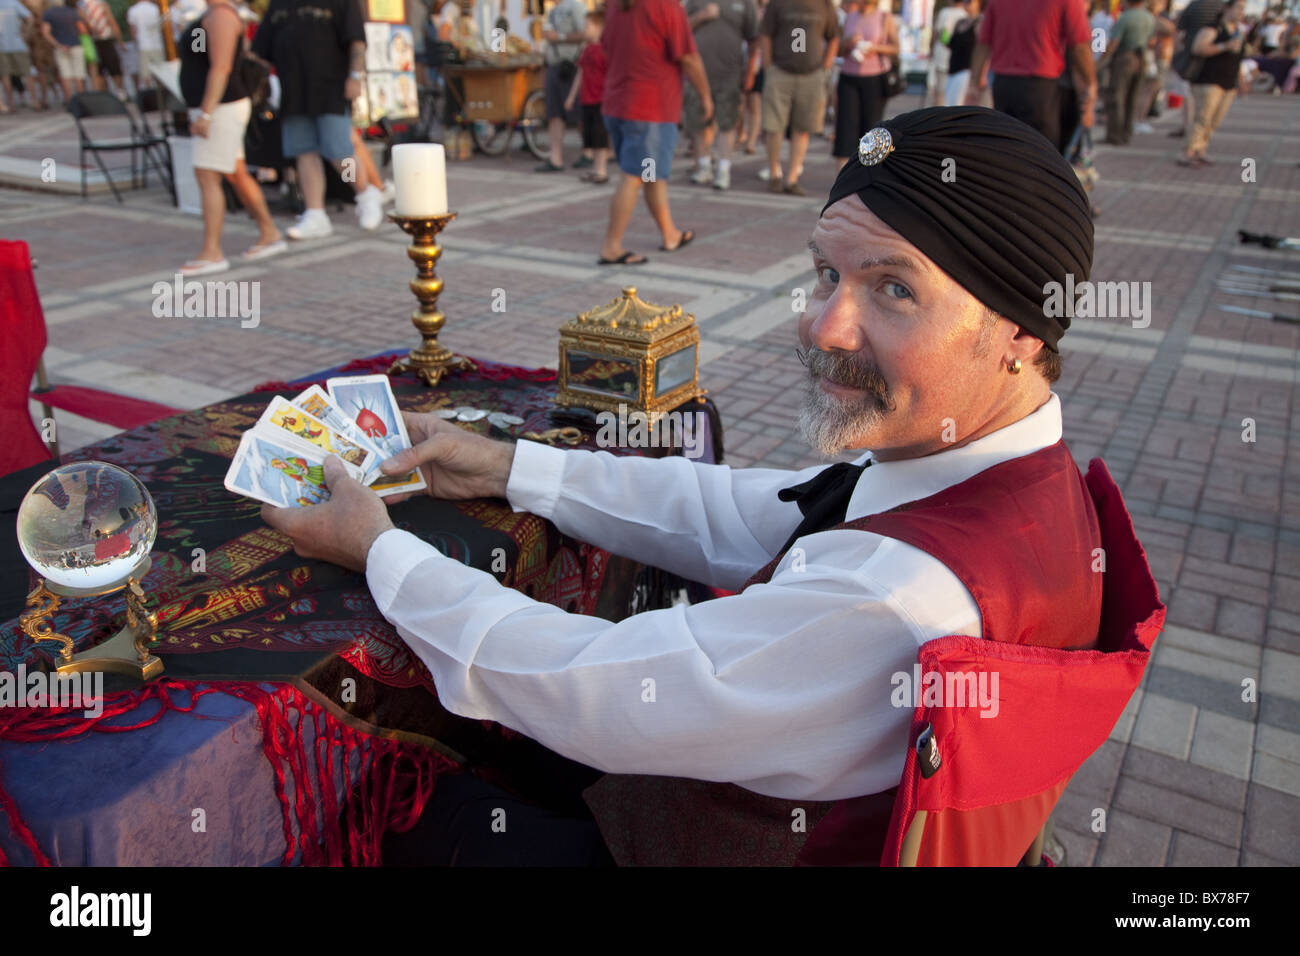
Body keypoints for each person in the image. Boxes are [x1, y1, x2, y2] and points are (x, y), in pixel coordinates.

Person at [264, 105, 1150, 868]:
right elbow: (738, 511)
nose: (825, 325)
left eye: (893, 290)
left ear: (1019, 333)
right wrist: (507, 465)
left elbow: (593, 687)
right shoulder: (998, 470)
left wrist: (379, 549)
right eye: (826, 276)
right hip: (716, 799)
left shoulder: (897, 598)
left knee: (383, 802)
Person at [250, 0, 385, 238]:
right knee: (304, 151)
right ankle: (315, 213)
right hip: (292, 89)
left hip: (330, 86)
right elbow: (262, 48)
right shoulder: (279, 5)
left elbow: (356, 39)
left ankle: (365, 194)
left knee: (338, 151)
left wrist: (354, 76)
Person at [595, 0, 710, 266]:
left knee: (651, 173)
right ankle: (611, 246)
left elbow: (605, 46)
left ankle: (669, 233)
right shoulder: (665, 5)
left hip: (618, 101)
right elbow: (689, 57)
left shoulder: (615, 4)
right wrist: (705, 95)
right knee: (635, 175)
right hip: (650, 107)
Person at [179, 0, 285, 274]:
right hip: (218, 106)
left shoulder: (223, 16)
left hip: (221, 107)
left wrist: (206, 113)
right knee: (234, 172)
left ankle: (212, 251)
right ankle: (269, 232)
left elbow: (222, 67)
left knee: (207, 174)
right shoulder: (213, 15)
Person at [966, 0, 1096, 152]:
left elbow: (983, 43)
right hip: (1040, 86)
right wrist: (1090, 82)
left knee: (1007, 148)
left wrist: (974, 84)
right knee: (1041, 152)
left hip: (1003, 84)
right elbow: (1080, 46)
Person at [759, 0, 838, 195]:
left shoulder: (824, 5)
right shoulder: (778, 4)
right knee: (774, 126)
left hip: (812, 74)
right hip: (781, 72)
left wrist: (826, 66)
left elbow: (834, 36)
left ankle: (792, 178)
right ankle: (774, 173)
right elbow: (765, 34)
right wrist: (769, 67)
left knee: (803, 128)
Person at [683, 0, 757, 191]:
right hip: (698, 74)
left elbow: (754, 38)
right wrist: (701, 16)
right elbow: (681, 30)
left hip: (730, 74)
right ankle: (704, 166)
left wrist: (749, 72)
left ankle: (723, 169)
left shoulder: (745, 3)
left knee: (728, 123)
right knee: (699, 122)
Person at [832, 0, 897, 171]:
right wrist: (848, 42)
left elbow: (896, 47)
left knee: (871, 128)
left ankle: (867, 174)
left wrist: (875, 47)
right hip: (848, 76)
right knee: (845, 127)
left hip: (874, 78)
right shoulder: (850, 17)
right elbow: (838, 49)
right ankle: (842, 176)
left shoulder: (884, 17)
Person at [1179, 0, 1245, 167]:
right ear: (1226, 8)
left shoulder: (1238, 32)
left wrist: (1241, 80)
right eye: (1238, 8)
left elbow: (1238, 59)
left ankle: (1201, 150)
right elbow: (1198, 49)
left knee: (1214, 121)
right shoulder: (1213, 28)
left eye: (1243, 9)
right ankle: (1189, 152)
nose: (1240, 12)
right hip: (1208, 80)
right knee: (1202, 118)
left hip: (1228, 82)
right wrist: (1224, 46)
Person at [534, 0, 586, 172]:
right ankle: (556, 158)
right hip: (554, 65)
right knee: (554, 113)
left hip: (571, 64)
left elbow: (586, 33)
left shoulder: (576, 6)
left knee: (579, 112)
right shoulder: (553, 10)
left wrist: (561, 37)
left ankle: (589, 152)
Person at [1098, 0, 1156, 145]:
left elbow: (1114, 43)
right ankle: (1127, 132)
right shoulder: (1149, 17)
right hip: (1141, 57)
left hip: (1125, 58)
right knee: (1132, 97)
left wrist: (1100, 62)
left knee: (1117, 96)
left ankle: (1115, 135)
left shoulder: (1125, 17)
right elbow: (1152, 41)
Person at [563, 6, 609, 185]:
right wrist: (571, 96)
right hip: (587, 99)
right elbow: (580, 73)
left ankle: (601, 170)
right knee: (589, 135)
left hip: (601, 99)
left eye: (588, 26)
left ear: (599, 28)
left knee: (600, 136)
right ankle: (594, 168)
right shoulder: (587, 49)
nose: (585, 29)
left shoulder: (605, 50)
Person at [41, 0, 89, 100]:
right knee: (78, 75)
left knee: (65, 76)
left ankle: (69, 100)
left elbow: (45, 33)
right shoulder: (72, 12)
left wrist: (58, 45)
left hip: (60, 48)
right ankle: (82, 100)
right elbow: (83, 29)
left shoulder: (49, 13)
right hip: (75, 45)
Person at [927, 0, 969, 105]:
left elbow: (940, 33)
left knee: (940, 92)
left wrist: (931, 48)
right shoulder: (965, 14)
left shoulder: (944, 12)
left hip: (942, 54)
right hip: (957, 59)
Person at [78, 0, 123, 95]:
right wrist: (120, 41)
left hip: (90, 40)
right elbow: (111, 21)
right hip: (104, 38)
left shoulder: (80, 5)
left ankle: (105, 93)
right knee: (113, 67)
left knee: (99, 69)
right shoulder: (101, 3)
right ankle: (120, 92)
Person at [944, 0, 981, 108]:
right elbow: (949, 43)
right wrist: (944, 33)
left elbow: (980, 49)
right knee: (949, 104)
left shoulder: (979, 23)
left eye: (969, 1)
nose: (966, 4)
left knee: (958, 106)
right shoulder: (960, 22)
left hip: (966, 70)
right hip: (953, 68)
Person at [21, 0, 57, 108]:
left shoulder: (45, 5)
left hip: (40, 41)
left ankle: (43, 99)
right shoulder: (22, 4)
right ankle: (36, 99)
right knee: (31, 72)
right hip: (28, 41)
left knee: (42, 71)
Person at [0, 0, 30, 111]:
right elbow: (29, 18)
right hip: (17, 43)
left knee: (5, 75)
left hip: (2, 46)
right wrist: (25, 34)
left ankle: (11, 103)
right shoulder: (14, 3)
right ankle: (34, 101)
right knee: (26, 73)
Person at [127, 0, 164, 89]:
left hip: (143, 45)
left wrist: (136, 42)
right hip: (157, 44)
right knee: (161, 72)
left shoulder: (133, 10)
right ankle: (162, 93)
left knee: (146, 74)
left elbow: (133, 30)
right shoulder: (155, 8)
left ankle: (150, 93)